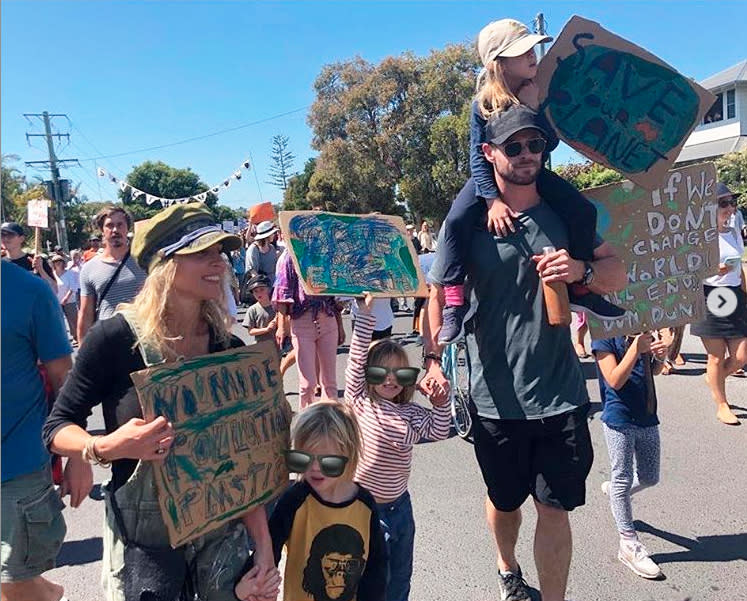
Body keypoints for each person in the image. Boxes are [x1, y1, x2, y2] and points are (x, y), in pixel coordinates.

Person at [425, 104, 627, 601]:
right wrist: (435, 361)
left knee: (554, 508)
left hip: (559, 391)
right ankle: (507, 565)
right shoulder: (471, 221)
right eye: (513, 146)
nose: (527, 154)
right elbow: (438, 292)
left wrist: (579, 270)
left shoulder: (565, 215)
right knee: (506, 501)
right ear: (489, 153)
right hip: (493, 395)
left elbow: (617, 273)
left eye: (535, 145)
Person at [43, 203, 279, 601]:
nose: (218, 262)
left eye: (220, 252)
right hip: (146, 552)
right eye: (201, 253)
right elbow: (56, 428)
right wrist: (104, 447)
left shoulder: (228, 347)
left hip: (221, 554)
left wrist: (265, 549)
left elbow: (245, 461)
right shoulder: (114, 340)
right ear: (165, 264)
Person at [436, 19, 624, 344]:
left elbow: (548, 143)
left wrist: (535, 107)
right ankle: (454, 302)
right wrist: (492, 201)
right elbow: (476, 157)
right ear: (499, 62)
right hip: (487, 178)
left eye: (532, 48)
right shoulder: (483, 104)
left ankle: (579, 286)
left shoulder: (537, 90)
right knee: (455, 221)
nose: (532, 55)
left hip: (535, 172)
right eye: (521, 51)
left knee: (581, 209)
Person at [345, 293, 449, 601]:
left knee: (399, 579)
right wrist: (365, 317)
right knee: (367, 581)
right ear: (368, 376)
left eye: (399, 374)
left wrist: (440, 402)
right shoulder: (361, 401)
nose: (390, 380)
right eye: (380, 373)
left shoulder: (412, 413)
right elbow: (356, 358)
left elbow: (440, 430)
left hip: (400, 508)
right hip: (363, 509)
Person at [238, 401, 387, 601]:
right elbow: (269, 548)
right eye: (304, 458)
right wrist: (248, 586)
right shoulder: (295, 499)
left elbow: (376, 568)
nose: (315, 468)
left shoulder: (365, 505)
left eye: (328, 461)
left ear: (349, 456)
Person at [2, 261, 89, 601]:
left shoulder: (29, 291)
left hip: (16, 468)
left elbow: (65, 381)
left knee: (15, 584)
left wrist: (79, 456)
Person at [592, 331, 669, 579]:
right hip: (619, 418)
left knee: (649, 477)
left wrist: (658, 357)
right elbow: (614, 379)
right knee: (623, 477)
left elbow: (652, 372)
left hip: (647, 415)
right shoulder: (604, 334)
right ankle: (627, 543)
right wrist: (635, 348)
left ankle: (616, 492)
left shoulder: (644, 329)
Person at [690, 184, 747, 425]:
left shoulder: (734, 230)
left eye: (731, 202)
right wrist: (715, 269)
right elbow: (689, 271)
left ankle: (714, 378)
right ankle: (721, 404)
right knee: (715, 356)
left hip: (734, 295)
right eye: (723, 203)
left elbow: (740, 268)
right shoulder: (699, 235)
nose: (730, 208)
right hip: (709, 295)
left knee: (741, 356)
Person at [273, 248, 340, 408]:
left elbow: (334, 295)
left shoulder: (327, 252)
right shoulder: (290, 255)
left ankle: (331, 424)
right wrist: (282, 326)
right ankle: (307, 426)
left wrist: (341, 326)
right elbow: (283, 292)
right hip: (302, 321)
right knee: (307, 384)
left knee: (329, 383)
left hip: (327, 319)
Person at [77, 206, 146, 343]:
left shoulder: (145, 261)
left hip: (144, 338)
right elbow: (86, 315)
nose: (115, 230)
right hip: (109, 342)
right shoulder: (89, 269)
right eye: (109, 225)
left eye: (120, 225)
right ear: (102, 230)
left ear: (127, 228)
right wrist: (83, 353)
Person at [1, 221, 57, 293]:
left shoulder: (37, 261)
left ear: (21, 238)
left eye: (10, 235)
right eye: (2, 235)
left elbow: (55, 290)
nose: (5, 238)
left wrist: (41, 270)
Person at [50, 254, 79, 344]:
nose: (57, 263)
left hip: (69, 300)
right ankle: (62, 339)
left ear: (63, 263)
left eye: (59, 261)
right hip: (56, 301)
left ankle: (76, 336)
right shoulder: (52, 275)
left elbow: (73, 287)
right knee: (58, 321)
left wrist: (66, 298)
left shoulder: (69, 273)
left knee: (73, 319)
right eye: (55, 262)